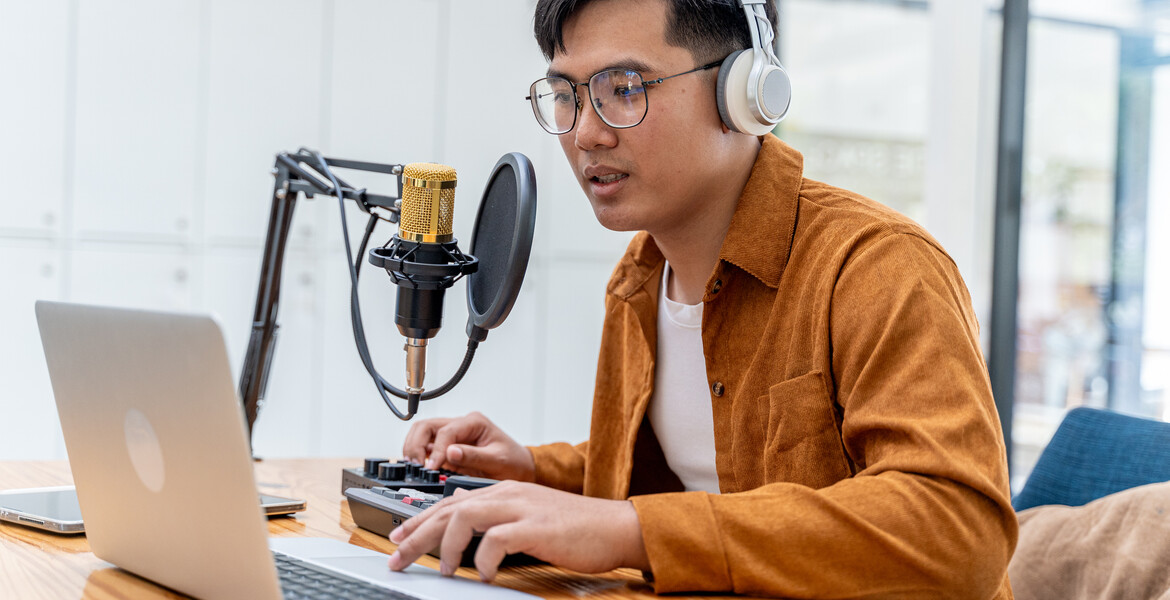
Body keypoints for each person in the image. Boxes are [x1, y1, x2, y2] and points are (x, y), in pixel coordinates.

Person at [386, 0, 1017, 597]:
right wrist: (533, 471)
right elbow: (698, 467)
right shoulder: (638, 279)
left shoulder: (879, 267)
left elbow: (958, 527)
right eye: (566, 96)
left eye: (624, 89)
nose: (585, 134)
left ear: (743, 92)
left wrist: (633, 531)